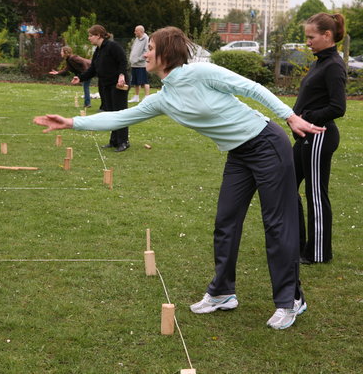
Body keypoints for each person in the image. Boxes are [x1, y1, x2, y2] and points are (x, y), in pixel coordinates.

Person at [34, 26, 327, 329]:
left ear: (166, 53)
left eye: (150, 48)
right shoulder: (164, 98)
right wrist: (71, 122)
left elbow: (251, 88)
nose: (145, 53)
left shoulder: (201, 73)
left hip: (267, 144)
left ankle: (290, 300)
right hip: (238, 155)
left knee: (277, 225)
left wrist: (289, 116)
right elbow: (119, 117)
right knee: (225, 221)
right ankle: (223, 292)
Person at [293, 13, 347, 265]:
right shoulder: (319, 63)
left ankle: (317, 253)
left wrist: (310, 117)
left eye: (311, 37)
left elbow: (338, 107)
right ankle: (295, 244)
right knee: (285, 186)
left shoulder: (334, 65)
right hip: (305, 137)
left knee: (315, 194)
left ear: (327, 35)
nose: (308, 42)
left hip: (319, 137)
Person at [71, 25, 130, 152]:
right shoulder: (98, 50)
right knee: (110, 113)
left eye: (91, 35)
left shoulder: (112, 46)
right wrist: (80, 78)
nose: (89, 38)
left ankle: (124, 141)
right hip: (105, 85)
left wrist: (121, 75)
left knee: (120, 112)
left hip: (118, 84)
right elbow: (93, 69)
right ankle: (114, 141)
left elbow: (123, 61)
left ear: (98, 35)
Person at [128, 25, 150, 103]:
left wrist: (138, 59)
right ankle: (136, 97)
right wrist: (132, 59)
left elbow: (146, 52)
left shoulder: (146, 39)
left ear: (140, 31)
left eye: (136, 31)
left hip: (142, 65)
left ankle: (147, 97)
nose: (134, 32)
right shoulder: (136, 39)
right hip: (134, 64)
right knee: (135, 82)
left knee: (144, 81)